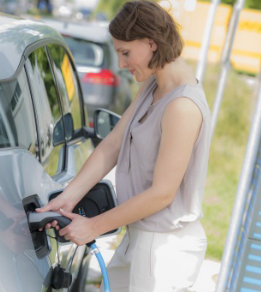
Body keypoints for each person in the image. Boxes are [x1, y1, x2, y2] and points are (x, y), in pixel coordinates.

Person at [36, 1, 211, 291]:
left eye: (125, 52)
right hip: (141, 237)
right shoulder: (153, 86)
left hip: (165, 251)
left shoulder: (182, 106)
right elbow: (112, 145)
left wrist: (93, 227)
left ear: (151, 43)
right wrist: (67, 199)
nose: (121, 64)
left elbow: (161, 194)